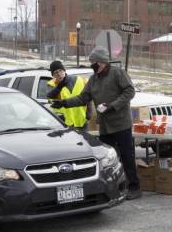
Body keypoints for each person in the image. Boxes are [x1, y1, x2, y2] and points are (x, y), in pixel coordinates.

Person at [51, 47, 141, 200]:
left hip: (121, 124)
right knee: (107, 159)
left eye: (94, 62)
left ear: (103, 62)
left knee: (127, 156)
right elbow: (83, 98)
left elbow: (129, 92)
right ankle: (111, 188)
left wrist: (113, 105)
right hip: (105, 126)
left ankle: (134, 187)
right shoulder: (93, 79)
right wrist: (64, 103)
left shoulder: (118, 73)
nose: (92, 64)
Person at [46, 60, 89, 130]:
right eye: (55, 72)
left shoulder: (80, 80)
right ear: (53, 75)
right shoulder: (51, 84)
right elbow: (50, 99)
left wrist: (88, 114)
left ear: (64, 70)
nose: (59, 74)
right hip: (64, 123)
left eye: (60, 71)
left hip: (81, 121)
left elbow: (87, 97)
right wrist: (59, 87)